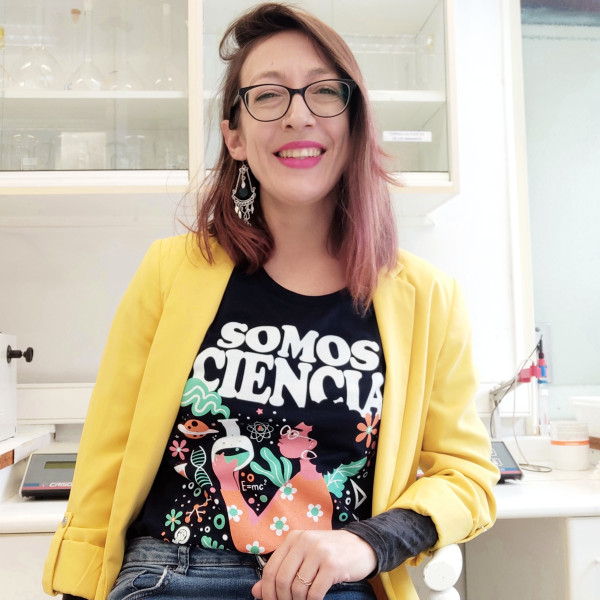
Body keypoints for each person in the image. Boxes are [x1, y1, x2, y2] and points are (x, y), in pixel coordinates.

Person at [42, 3, 499, 600]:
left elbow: (467, 476)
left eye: (324, 92)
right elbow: (108, 454)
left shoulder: (428, 298)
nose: (297, 115)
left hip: (333, 583)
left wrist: (367, 542)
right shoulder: (171, 272)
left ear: (354, 122)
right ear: (234, 136)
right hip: (172, 575)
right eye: (267, 96)